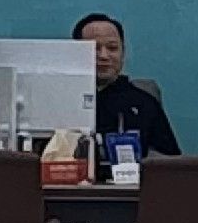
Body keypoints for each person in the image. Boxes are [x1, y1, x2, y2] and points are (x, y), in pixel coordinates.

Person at [75, 12, 181, 156]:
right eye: (94, 48)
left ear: (123, 53)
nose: (104, 56)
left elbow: (170, 162)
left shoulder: (144, 102)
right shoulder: (61, 100)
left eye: (112, 48)